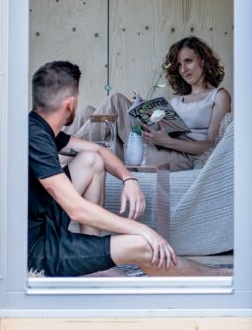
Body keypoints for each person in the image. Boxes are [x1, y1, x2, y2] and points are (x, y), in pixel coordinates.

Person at [28, 61, 227, 277]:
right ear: (70, 102)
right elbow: (77, 209)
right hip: (40, 254)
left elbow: (98, 150)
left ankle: (92, 261)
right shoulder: (35, 137)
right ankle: (220, 276)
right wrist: (143, 230)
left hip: (46, 227)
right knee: (144, 245)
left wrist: (128, 179)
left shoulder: (38, 128)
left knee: (91, 159)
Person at [71, 36, 232, 171]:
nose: (183, 69)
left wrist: (167, 141)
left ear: (203, 61)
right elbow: (161, 127)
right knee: (87, 112)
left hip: (182, 157)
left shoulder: (218, 96)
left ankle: (66, 146)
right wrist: (141, 109)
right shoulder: (176, 101)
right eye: (179, 65)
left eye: (188, 61)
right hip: (157, 147)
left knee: (116, 101)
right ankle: (65, 149)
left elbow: (212, 146)